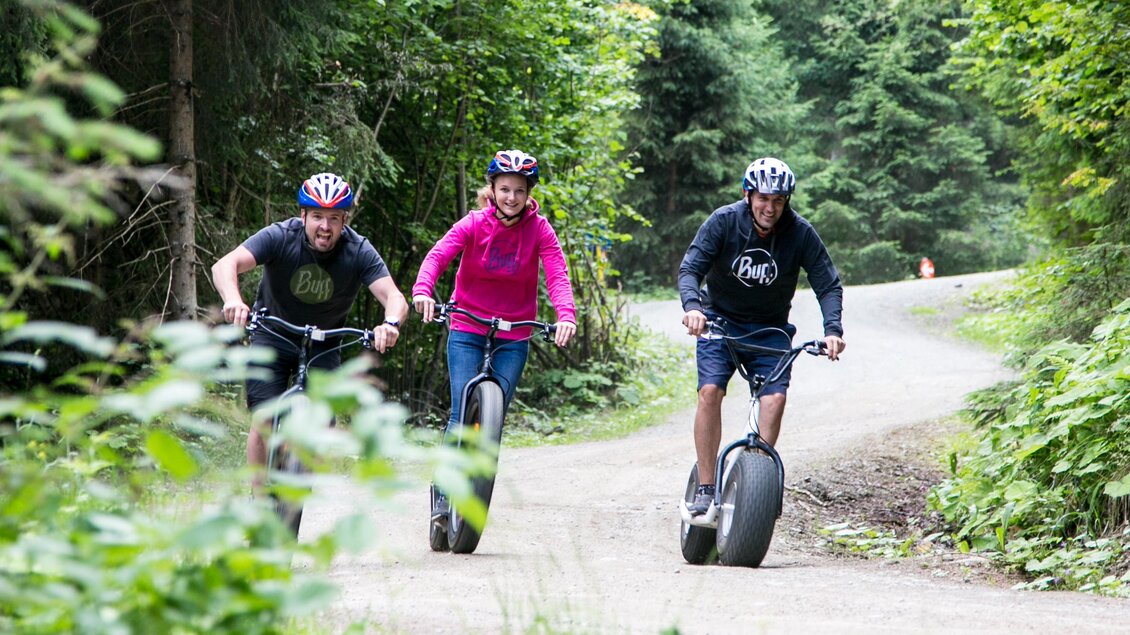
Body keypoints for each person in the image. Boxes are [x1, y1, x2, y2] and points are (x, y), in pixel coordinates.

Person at [212, 172, 409, 494]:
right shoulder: (280, 236)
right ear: (303, 215)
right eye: (317, 216)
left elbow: (394, 297)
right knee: (264, 419)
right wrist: (233, 299)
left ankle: (296, 481)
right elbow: (225, 265)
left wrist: (390, 324)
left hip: (324, 344)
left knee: (323, 423)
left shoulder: (358, 250)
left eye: (334, 218)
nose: (325, 227)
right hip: (273, 335)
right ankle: (258, 498)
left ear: (344, 220)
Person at [412, 149, 577, 519]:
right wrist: (423, 290)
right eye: (505, 189)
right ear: (492, 189)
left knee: (494, 413)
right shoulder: (473, 223)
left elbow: (557, 275)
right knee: (460, 412)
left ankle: (476, 484)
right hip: (467, 325)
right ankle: (443, 491)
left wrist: (566, 315)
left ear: (528, 193)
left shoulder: (540, 230)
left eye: (519, 190)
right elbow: (438, 256)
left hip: (514, 333)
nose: (511, 197)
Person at [678, 157, 845, 518]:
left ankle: (755, 480)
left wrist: (833, 330)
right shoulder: (724, 221)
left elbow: (828, 284)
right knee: (710, 392)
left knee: (775, 399)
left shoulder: (800, 233)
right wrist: (693, 308)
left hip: (770, 329)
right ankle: (706, 487)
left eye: (778, 201)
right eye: (764, 199)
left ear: (787, 201)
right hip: (718, 322)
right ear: (748, 195)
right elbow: (690, 269)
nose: (770, 208)